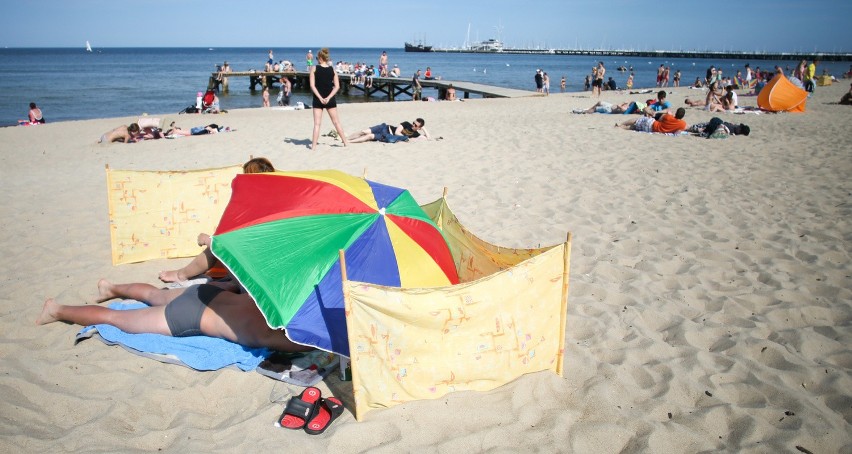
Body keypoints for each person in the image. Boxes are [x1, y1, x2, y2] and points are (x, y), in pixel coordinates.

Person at [36, 279, 312, 352]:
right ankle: (57, 310)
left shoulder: (275, 303)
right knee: (113, 318)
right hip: (190, 317)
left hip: (206, 293)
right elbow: (308, 345)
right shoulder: (270, 335)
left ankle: (111, 286)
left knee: (155, 294)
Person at [159, 158, 275, 283]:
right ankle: (184, 273)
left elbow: (240, 245)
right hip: (267, 263)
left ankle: (181, 275)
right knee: (218, 243)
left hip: (256, 269)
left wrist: (210, 241)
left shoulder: (253, 206)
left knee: (215, 246)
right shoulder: (274, 200)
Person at [309, 48, 348, 150]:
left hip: (318, 99)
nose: (317, 59)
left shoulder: (314, 68)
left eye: (317, 58)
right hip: (330, 99)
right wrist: (329, 97)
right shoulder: (332, 70)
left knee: (317, 124)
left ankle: (313, 147)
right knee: (336, 122)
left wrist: (320, 98)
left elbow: (312, 86)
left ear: (321, 58)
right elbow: (337, 86)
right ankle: (345, 143)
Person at [346, 119, 429, 143]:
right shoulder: (406, 123)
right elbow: (397, 132)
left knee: (369, 136)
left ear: (419, 127)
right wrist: (405, 137)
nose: (413, 125)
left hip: (387, 136)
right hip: (385, 128)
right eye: (413, 123)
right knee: (364, 131)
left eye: (415, 125)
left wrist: (424, 128)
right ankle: (347, 138)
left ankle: (350, 142)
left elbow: (427, 138)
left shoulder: (415, 134)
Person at [617, 107, 688, 134]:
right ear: (682, 116)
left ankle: (621, 124)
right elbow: (678, 132)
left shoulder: (669, 117)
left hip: (653, 124)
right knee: (635, 127)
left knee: (637, 120)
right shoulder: (682, 124)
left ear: (676, 113)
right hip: (652, 130)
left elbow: (659, 119)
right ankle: (622, 127)